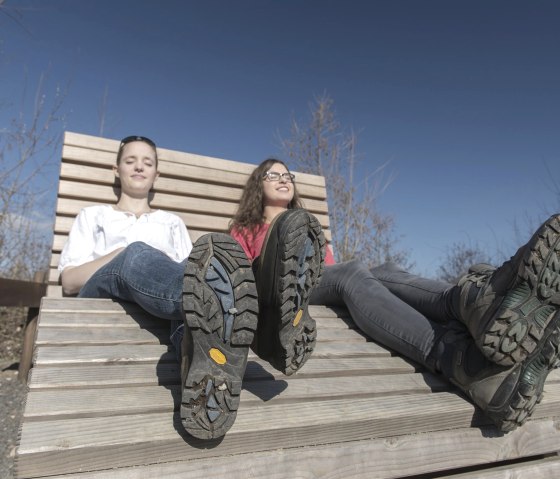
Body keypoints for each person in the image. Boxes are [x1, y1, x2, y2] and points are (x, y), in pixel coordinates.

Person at [230, 157, 560, 433]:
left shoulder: (308, 226)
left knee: (382, 269)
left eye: (287, 174)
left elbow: (327, 268)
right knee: (352, 271)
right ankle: (466, 330)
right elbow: (243, 282)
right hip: (282, 291)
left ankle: (474, 316)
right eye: (273, 175)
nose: (283, 178)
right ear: (258, 185)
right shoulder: (245, 229)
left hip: (320, 282)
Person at [58, 136, 323, 440]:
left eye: (148, 162)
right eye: (130, 160)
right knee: (144, 258)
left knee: (197, 281)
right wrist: (124, 251)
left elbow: (194, 272)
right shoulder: (94, 216)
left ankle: (202, 367)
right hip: (106, 290)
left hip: (161, 302)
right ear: (116, 170)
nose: (139, 166)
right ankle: (264, 322)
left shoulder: (171, 222)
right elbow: (70, 280)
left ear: (157, 174)